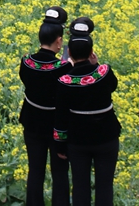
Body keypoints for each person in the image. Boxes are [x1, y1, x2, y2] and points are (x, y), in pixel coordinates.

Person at [53, 18, 121, 206]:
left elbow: (61, 116)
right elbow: (112, 86)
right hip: (107, 138)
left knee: (80, 186)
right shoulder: (104, 72)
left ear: (70, 55)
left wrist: (59, 145)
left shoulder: (65, 81)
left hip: (78, 141)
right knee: (105, 186)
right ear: (92, 52)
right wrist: (96, 64)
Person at [20, 7, 72, 206]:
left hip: (32, 125)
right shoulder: (64, 68)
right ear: (59, 41)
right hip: (55, 128)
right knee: (59, 173)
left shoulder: (26, 62)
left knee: (35, 170)